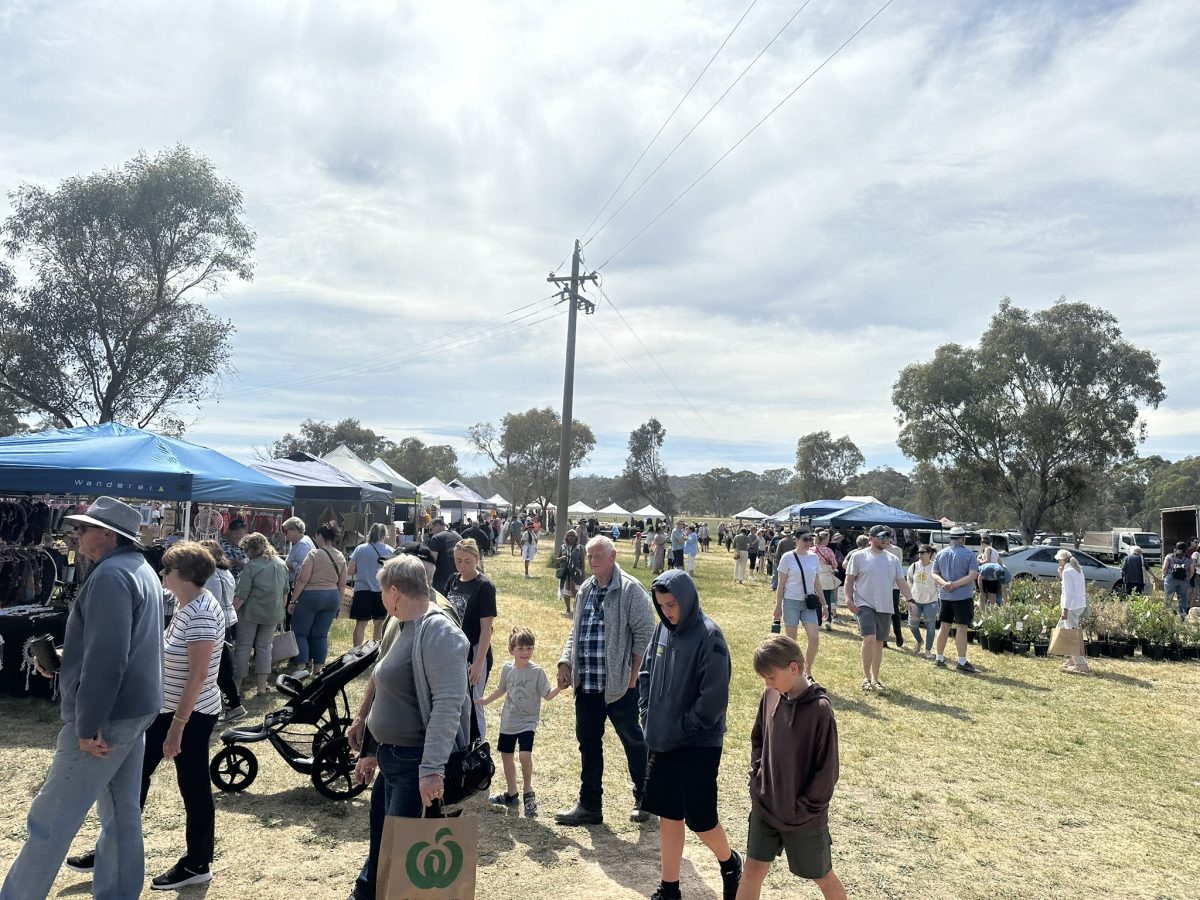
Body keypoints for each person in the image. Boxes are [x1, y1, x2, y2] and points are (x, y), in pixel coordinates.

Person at [2, 497, 163, 900]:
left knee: (50, 820)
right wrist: (65, 658)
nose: (76, 534)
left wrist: (88, 724)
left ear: (107, 534)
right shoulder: (139, 568)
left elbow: (108, 660)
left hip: (107, 716)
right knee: (121, 814)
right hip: (134, 709)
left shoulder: (111, 575)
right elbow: (120, 646)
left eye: (83, 528)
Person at [346, 555, 471, 900]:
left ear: (395, 592)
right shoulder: (400, 623)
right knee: (384, 843)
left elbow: (448, 704)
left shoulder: (439, 631)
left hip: (415, 762)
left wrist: (431, 770)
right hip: (394, 759)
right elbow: (389, 690)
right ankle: (365, 893)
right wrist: (371, 747)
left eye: (382, 591)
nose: (381, 598)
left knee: (404, 856)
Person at [639, 570, 742, 900]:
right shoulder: (662, 629)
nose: (667, 611)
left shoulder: (711, 637)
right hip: (662, 740)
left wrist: (680, 728)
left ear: (687, 599)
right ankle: (669, 889)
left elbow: (713, 702)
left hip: (698, 744)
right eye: (661, 605)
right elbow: (646, 672)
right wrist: (647, 713)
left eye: (672, 604)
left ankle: (730, 862)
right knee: (668, 813)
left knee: (701, 820)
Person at [136, 542, 224, 889]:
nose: (162, 573)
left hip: (189, 714)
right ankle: (115, 844)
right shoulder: (185, 603)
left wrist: (177, 728)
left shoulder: (200, 612)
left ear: (184, 575)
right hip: (171, 710)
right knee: (135, 775)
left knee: (193, 784)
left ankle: (198, 862)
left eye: (167, 569)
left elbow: (198, 675)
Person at [555, 536, 657, 826]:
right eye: (589, 556)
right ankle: (589, 805)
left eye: (598, 556)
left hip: (620, 685)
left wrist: (633, 677)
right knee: (588, 744)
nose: (592, 561)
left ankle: (646, 799)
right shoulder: (586, 589)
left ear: (613, 556)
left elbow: (646, 636)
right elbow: (576, 632)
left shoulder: (630, 590)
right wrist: (565, 662)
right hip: (587, 684)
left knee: (633, 741)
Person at [737, 636, 846, 900]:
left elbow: (827, 771)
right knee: (751, 871)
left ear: (794, 668)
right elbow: (758, 739)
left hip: (804, 818)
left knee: (823, 877)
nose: (767, 683)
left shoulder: (820, 710)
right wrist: (758, 778)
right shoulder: (770, 695)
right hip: (766, 806)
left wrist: (804, 808)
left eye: (771, 677)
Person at [478, 627, 563, 817]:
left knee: (525, 755)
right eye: (521, 648)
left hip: (527, 721)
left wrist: (560, 687)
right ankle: (511, 793)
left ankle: (528, 792)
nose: (525, 652)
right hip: (508, 722)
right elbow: (502, 689)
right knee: (506, 757)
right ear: (511, 650)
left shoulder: (537, 672)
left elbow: (547, 695)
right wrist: (485, 701)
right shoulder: (507, 669)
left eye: (529, 648)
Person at [844, 525, 914, 692]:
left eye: (887, 537)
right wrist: (848, 599)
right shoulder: (858, 556)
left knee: (878, 642)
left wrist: (910, 599)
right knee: (869, 638)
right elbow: (849, 580)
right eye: (882, 536)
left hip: (885, 604)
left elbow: (901, 581)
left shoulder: (893, 559)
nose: (885, 540)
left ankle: (875, 679)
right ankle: (866, 678)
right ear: (871, 538)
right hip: (864, 603)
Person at [444, 538, 497, 739]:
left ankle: (479, 745)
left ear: (476, 559)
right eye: (458, 561)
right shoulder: (453, 580)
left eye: (467, 561)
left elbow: (486, 629)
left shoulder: (484, 586)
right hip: (453, 650)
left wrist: (478, 663)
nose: (462, 565)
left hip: (474, 650)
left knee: (475, 703)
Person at [232, 532, 289, 696]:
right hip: (273, 613)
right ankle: (262, 687)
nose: (246, 553)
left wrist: (230, 614)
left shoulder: (252, 566)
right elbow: (285, 592)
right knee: (265, 648)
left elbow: (241, 595)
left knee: (243, 647)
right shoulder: (281, 563)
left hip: (250, 613)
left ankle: (236, 687)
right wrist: (281, 611)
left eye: (246, 550)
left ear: (252, 549)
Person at [287, 522, 346, 679]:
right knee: (321, 634)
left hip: (311, 596)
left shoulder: (313, 554)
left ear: (320, 536)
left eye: (316, 536)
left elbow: (303, 579)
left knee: (300, 632)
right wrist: (338, 604)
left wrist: (293, 600)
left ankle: (301, 666)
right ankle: (318, 670)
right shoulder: (340, 556)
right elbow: (342, 584)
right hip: (332, 596)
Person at [200, 539, 245, 722]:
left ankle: (233, 704)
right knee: (221, 667)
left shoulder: (212, 574)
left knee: (218, 668)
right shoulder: (225, 572)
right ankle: (232, 703)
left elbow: (213, 601)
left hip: (218, 621)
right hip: (228, 618)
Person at [774, 529, 824, 677]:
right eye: (805, 539)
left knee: (814, 637)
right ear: (796, 539)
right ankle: (793, 671)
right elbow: (781, 584)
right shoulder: (787, 557)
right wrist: (778, 606)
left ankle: (808, 671)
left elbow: (816, 581)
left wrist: (825, 604)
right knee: (792, 641)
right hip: (791, 601)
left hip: (809, 602)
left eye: (810, 539)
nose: (808, 542)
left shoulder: (814, 557)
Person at [931, 526, 980, 673]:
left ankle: (939, 658)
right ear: (962, 539)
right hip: (962, 596)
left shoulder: (940, 553)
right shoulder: (969, 554)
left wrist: (944, 584)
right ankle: (961, 661)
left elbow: (934, 573)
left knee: (944, 626)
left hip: (945, 596)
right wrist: (954, 584)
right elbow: (972, 575)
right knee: (961, 628)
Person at [347, 523, 395, 647]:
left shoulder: (360, 549)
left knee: (360, 624)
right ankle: (376, 651)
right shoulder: (390, 551)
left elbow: (350, 571)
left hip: (362, 591)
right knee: (379, 624)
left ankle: (356, 650)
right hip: (382, 592)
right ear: (384, 535)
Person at [1056, 549, 1090, 674]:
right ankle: (1071, 659)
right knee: (1063, 628)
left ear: (1062, 560)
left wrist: (1065, 609)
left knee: (1071, 634)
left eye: (1058, 561)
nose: (1058, 563)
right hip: (1079, 605)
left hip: (1071, 606)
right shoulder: (1077, 569)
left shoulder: (1067, 571)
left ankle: (1081, 664)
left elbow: (1068, 592)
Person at [906, 546, 939, 658]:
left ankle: (928, 650)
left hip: (931, 601)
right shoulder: (914, 566)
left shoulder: (935, 566)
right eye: (919, 552)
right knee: (912, 625)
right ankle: (919, 641)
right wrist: (910, 595)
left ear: (930, 554)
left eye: (923, 552)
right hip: (915, 601)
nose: (920, 555)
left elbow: (939, 581)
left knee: (930, 625)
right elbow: (909, 579)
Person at [426, 517, 461, 594]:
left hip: (440, 580)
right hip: (457, 577)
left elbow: (432, 559)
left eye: (431, 529)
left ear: (437, 525)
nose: (431, 532)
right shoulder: (458, 536)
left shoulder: (436, 538)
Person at [813, 531, 840, 629]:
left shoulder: (812, 550)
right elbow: (834, 564)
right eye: (828, 539)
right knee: (827, 598)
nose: (828, 541)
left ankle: (818, 622)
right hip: (826, 575)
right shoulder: (828, 550)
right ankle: (828, 620)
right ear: (824, 539)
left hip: (814, 576)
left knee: (817, 599)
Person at [282, 516, 314, 589]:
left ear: (295, 529)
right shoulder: (304, 540)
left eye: (286, 532)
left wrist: (291, 565)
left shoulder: (302, 545)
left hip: (298, 586)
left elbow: (304, 568)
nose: (285, 535)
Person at [557, 529, 585, 615]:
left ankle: (576, 609)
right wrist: (561, 558)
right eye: (569, 536)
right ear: (566, 537)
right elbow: (557, 559)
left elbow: (582, 562)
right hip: (565, 573)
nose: (571, 537)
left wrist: (583, 574)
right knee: (566, 592)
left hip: (576, 573)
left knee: (577, 592)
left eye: (573, 536)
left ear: (576, 537)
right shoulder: (563, 547)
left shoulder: (579, 548)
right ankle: (568, 610)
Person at [1163, 542, 1193, 616]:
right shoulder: (1189, 558)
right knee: (1182, 598)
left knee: (1168, 597)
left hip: (1170, 579)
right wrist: (1188, 578)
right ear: (1186, 549)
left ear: (1175, 548)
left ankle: (1167, 614)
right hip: (1184, 580)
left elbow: (1164, 568)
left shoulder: (1169, 556)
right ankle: (1183, 615)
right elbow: (1192, 570)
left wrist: (1164, 576)